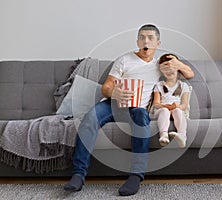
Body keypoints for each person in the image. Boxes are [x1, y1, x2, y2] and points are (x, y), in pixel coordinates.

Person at [64, 24, 194, 196]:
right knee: (90, 119)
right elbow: (106, 88)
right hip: (114, 104)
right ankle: (78, 175)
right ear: (137, 41)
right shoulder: (124, 60)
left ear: (158, 42)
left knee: (142, 119)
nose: (146, 41)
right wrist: (114, 92)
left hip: (138, 108)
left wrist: (177, 63)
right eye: (142, 37)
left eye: (150, 37)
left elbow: (189, 74)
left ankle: (135, 177)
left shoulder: (160, 64)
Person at [153, 54, 189, 148]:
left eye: (171, 67)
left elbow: (184, 105)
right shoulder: (159, 85)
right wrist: (165, 107)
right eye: (165, 69)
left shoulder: (183, 86)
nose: (169, 71)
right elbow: (156, 104)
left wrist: (177, 106)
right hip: (161, 110)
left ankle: (182, 136)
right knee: (165, 111)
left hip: (176, 108)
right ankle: (164, 134)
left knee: (178, 111)